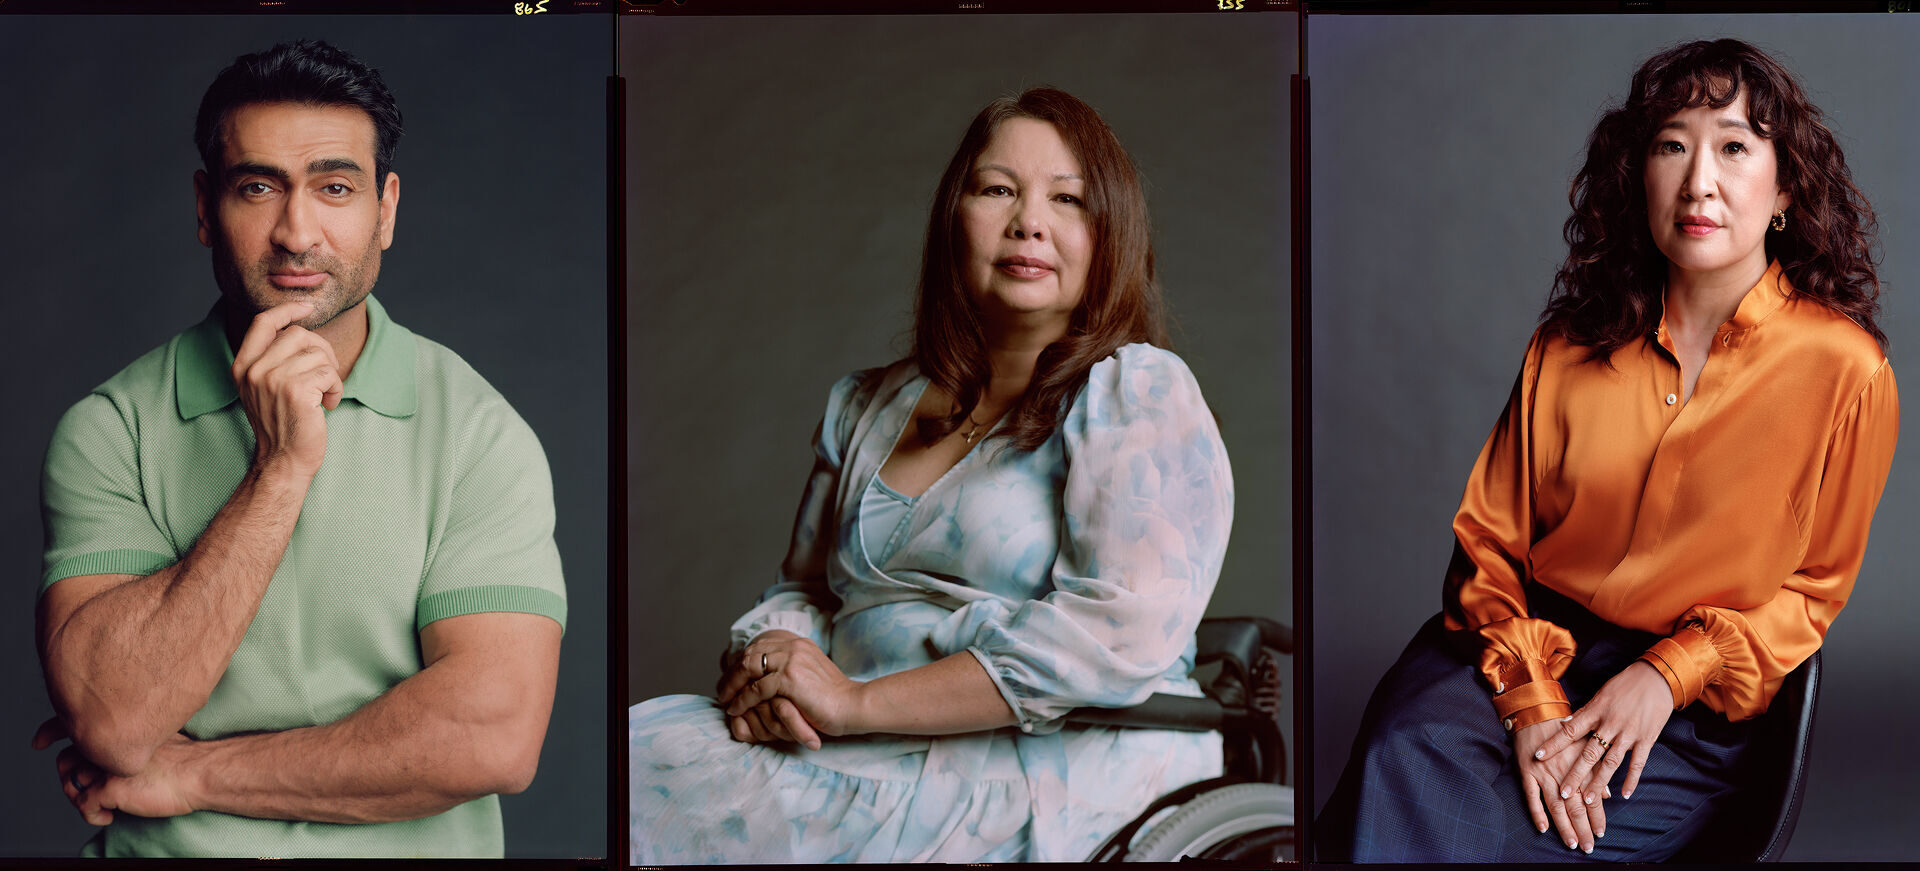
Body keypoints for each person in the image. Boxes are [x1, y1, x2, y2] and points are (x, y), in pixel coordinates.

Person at [1317, 38, 1897, 863]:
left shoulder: (1847, 371)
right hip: (1510, 650)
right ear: (1640, 177)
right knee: (1401, 763)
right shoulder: (1568, 345)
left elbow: (1811, 593)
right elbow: (1487, 545)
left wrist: (1667, 673)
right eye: (1672, 145)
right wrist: (1530, 698)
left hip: (1689, 708)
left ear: (1785, 189)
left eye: (1734, 146)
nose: (1699, 180)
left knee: (1521, 841)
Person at [628, 87, 1235, 863]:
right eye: (997, 189)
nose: (1028, 222)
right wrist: (773, 672)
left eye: (1068, 199)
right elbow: (804, 591)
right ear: (956, 215)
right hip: (856, 741)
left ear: (1109, 233)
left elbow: (1112, 635)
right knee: (640, 756)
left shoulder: (1136, 393)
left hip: (1044, 761)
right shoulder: (869, 404)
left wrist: (855, 702)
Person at [32, 40, 566, 858]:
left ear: (385, 208)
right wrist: (279, 470)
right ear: (207, 206)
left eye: (335, 187)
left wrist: (195, 776)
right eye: (258, 187)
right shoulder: (111, 428)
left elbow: (491, 736)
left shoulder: (480, 433)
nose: (296, 231)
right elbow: (115, 719)